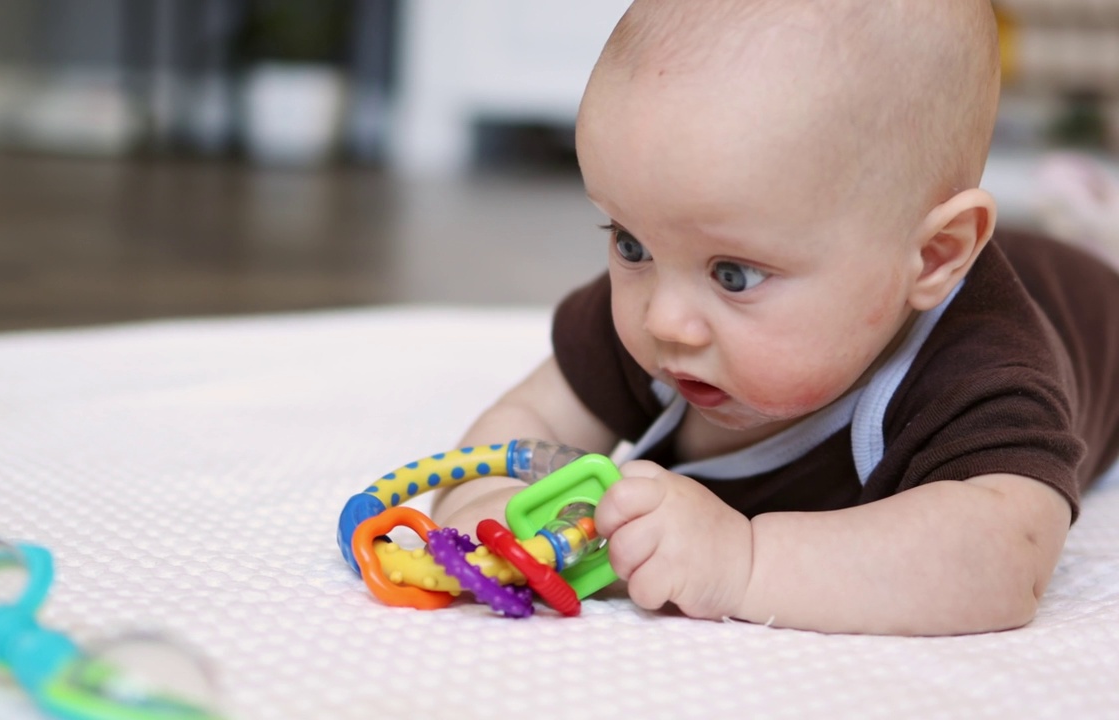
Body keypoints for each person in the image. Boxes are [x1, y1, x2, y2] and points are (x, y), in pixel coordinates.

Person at [431, 0, 1119, 635]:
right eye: (628, 241)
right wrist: (485, 505)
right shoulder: (665, 302)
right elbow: (528, 429)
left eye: (734, 274)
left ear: (933, 256)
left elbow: (1005, 559)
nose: (666, 320)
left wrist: (745, 562)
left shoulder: (981, 364)